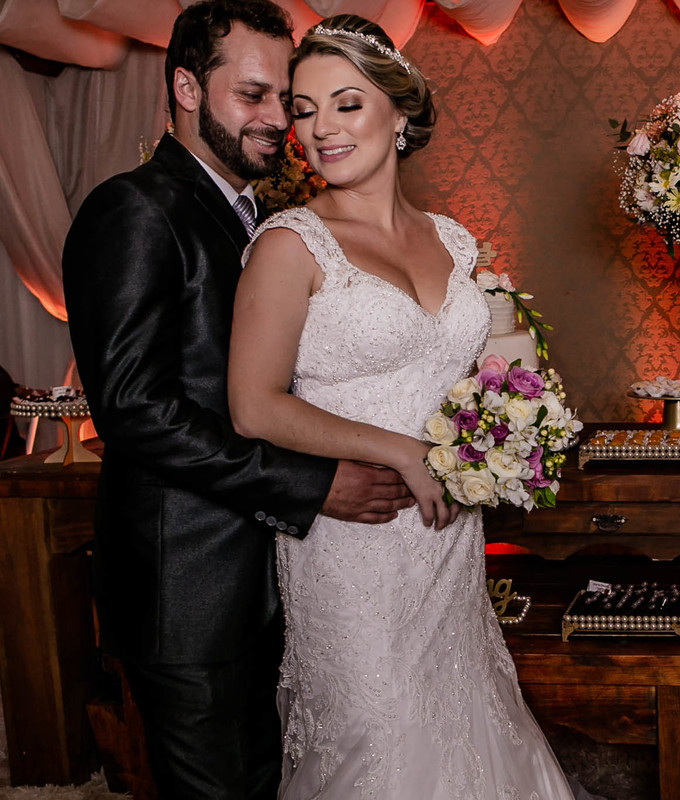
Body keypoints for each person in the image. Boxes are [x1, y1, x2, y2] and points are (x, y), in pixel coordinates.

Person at [61, 2, 412, 798]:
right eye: (251, 95)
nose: (275, 120)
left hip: (269, 579)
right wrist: (311, 484)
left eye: (283, 99)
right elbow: (131, 408)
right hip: (185, 595)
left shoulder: (256, 217)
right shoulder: (135, 208)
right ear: (185, 86)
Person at [226, 15, 578, 799]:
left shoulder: (453, 242)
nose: (320, 130)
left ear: (399, 112)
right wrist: (404, 451)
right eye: (305, 109)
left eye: (345, 104)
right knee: (374, 736)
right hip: (353, 541)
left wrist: (514, 429)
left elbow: (486, 370)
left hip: (448, 538)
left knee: (464, 716)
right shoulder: (291, 244)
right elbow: (252, 407)